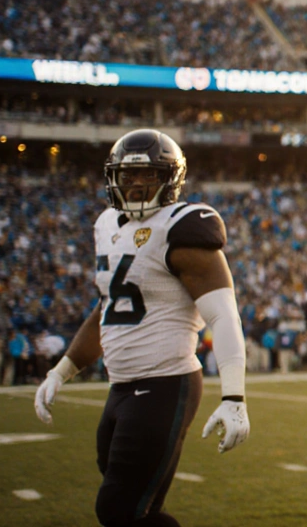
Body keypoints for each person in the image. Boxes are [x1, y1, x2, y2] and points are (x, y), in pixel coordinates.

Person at [33, 129, 251, 527]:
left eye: (147, 175)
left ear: (170, 178)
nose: (134, 184)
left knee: (116, 508)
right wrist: (61, 370)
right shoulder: (105, 224)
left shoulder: (183, 226)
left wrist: (234, 395)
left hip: (166, 384)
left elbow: (223, 316)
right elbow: (108, 308)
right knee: (139, 510)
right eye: (127, 176)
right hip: (121, 387)